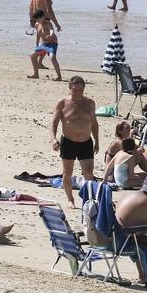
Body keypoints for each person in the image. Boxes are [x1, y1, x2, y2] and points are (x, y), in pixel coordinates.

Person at [50, 76, 98, 208]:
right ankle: (70, 200)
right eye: (75, 90)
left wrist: (97, 140)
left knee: (88, 173)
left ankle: (90, 199)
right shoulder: (63, 103)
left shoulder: (90, 103)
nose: (78, 93)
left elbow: (94, 124)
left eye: (80, 90)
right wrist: (53, 138)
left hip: (86, 142)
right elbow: (54, 122)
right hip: (68, 142)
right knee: (67, 172)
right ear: (70, 88)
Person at [114, 176, 147, 285]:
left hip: (114, 238)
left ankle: (143, 275)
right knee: (141, 241)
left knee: (140, 238)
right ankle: (144, 276)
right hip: (126, 242)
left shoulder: (127, 196)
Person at [28, 8, 61, 80]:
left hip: (52, 43)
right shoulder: (37, 24)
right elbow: (38, 34)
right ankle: (36, 74)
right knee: (32, 55)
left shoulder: (48, 23)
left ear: (43, 17)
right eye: (36, 19)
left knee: (52, 57)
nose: (38, 21)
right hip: (44, 44)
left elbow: (51, 30)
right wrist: (37, 44)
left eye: (39, 19)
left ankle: (59, 77)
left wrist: (51, 35)